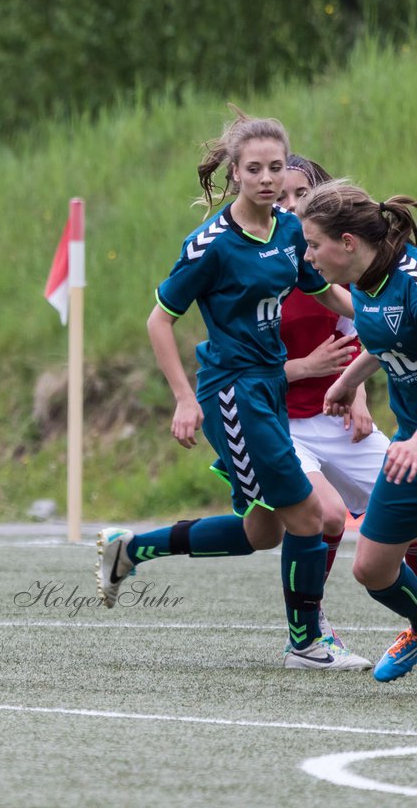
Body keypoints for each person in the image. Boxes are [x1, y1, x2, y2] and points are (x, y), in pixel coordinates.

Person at [95, 107, 365, 670]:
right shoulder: (211, 244)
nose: (267, 179)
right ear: (234, 174)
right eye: (254, 169)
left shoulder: (292, 230)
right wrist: (184, 398)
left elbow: (324, 293)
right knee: (311, 517)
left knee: (260, 532)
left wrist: (375, 316)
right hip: (233, 397)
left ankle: (131, 549)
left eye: (275, 168)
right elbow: (159, 319)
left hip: (266, 389)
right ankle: (307, 644)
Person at [274, 154, 389, 666]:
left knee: (403, 501)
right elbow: (236, 372)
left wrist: (357, 396)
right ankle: (309, 633)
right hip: (277, 424)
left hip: (332, 417)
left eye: (303, 196)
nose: (291, 206)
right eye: (282, 198)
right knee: (323, 517)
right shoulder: (257, 271)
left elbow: (360, 336)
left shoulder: (334, 271)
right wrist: (303, 367)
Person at [301, 180, 417, 682]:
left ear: (347, 242)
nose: (308, 256)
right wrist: (348, 381)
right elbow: (387, 339)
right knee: (372, 568)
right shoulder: (367, 286)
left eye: (313, 244)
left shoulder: (411, 280)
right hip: (409, 445)